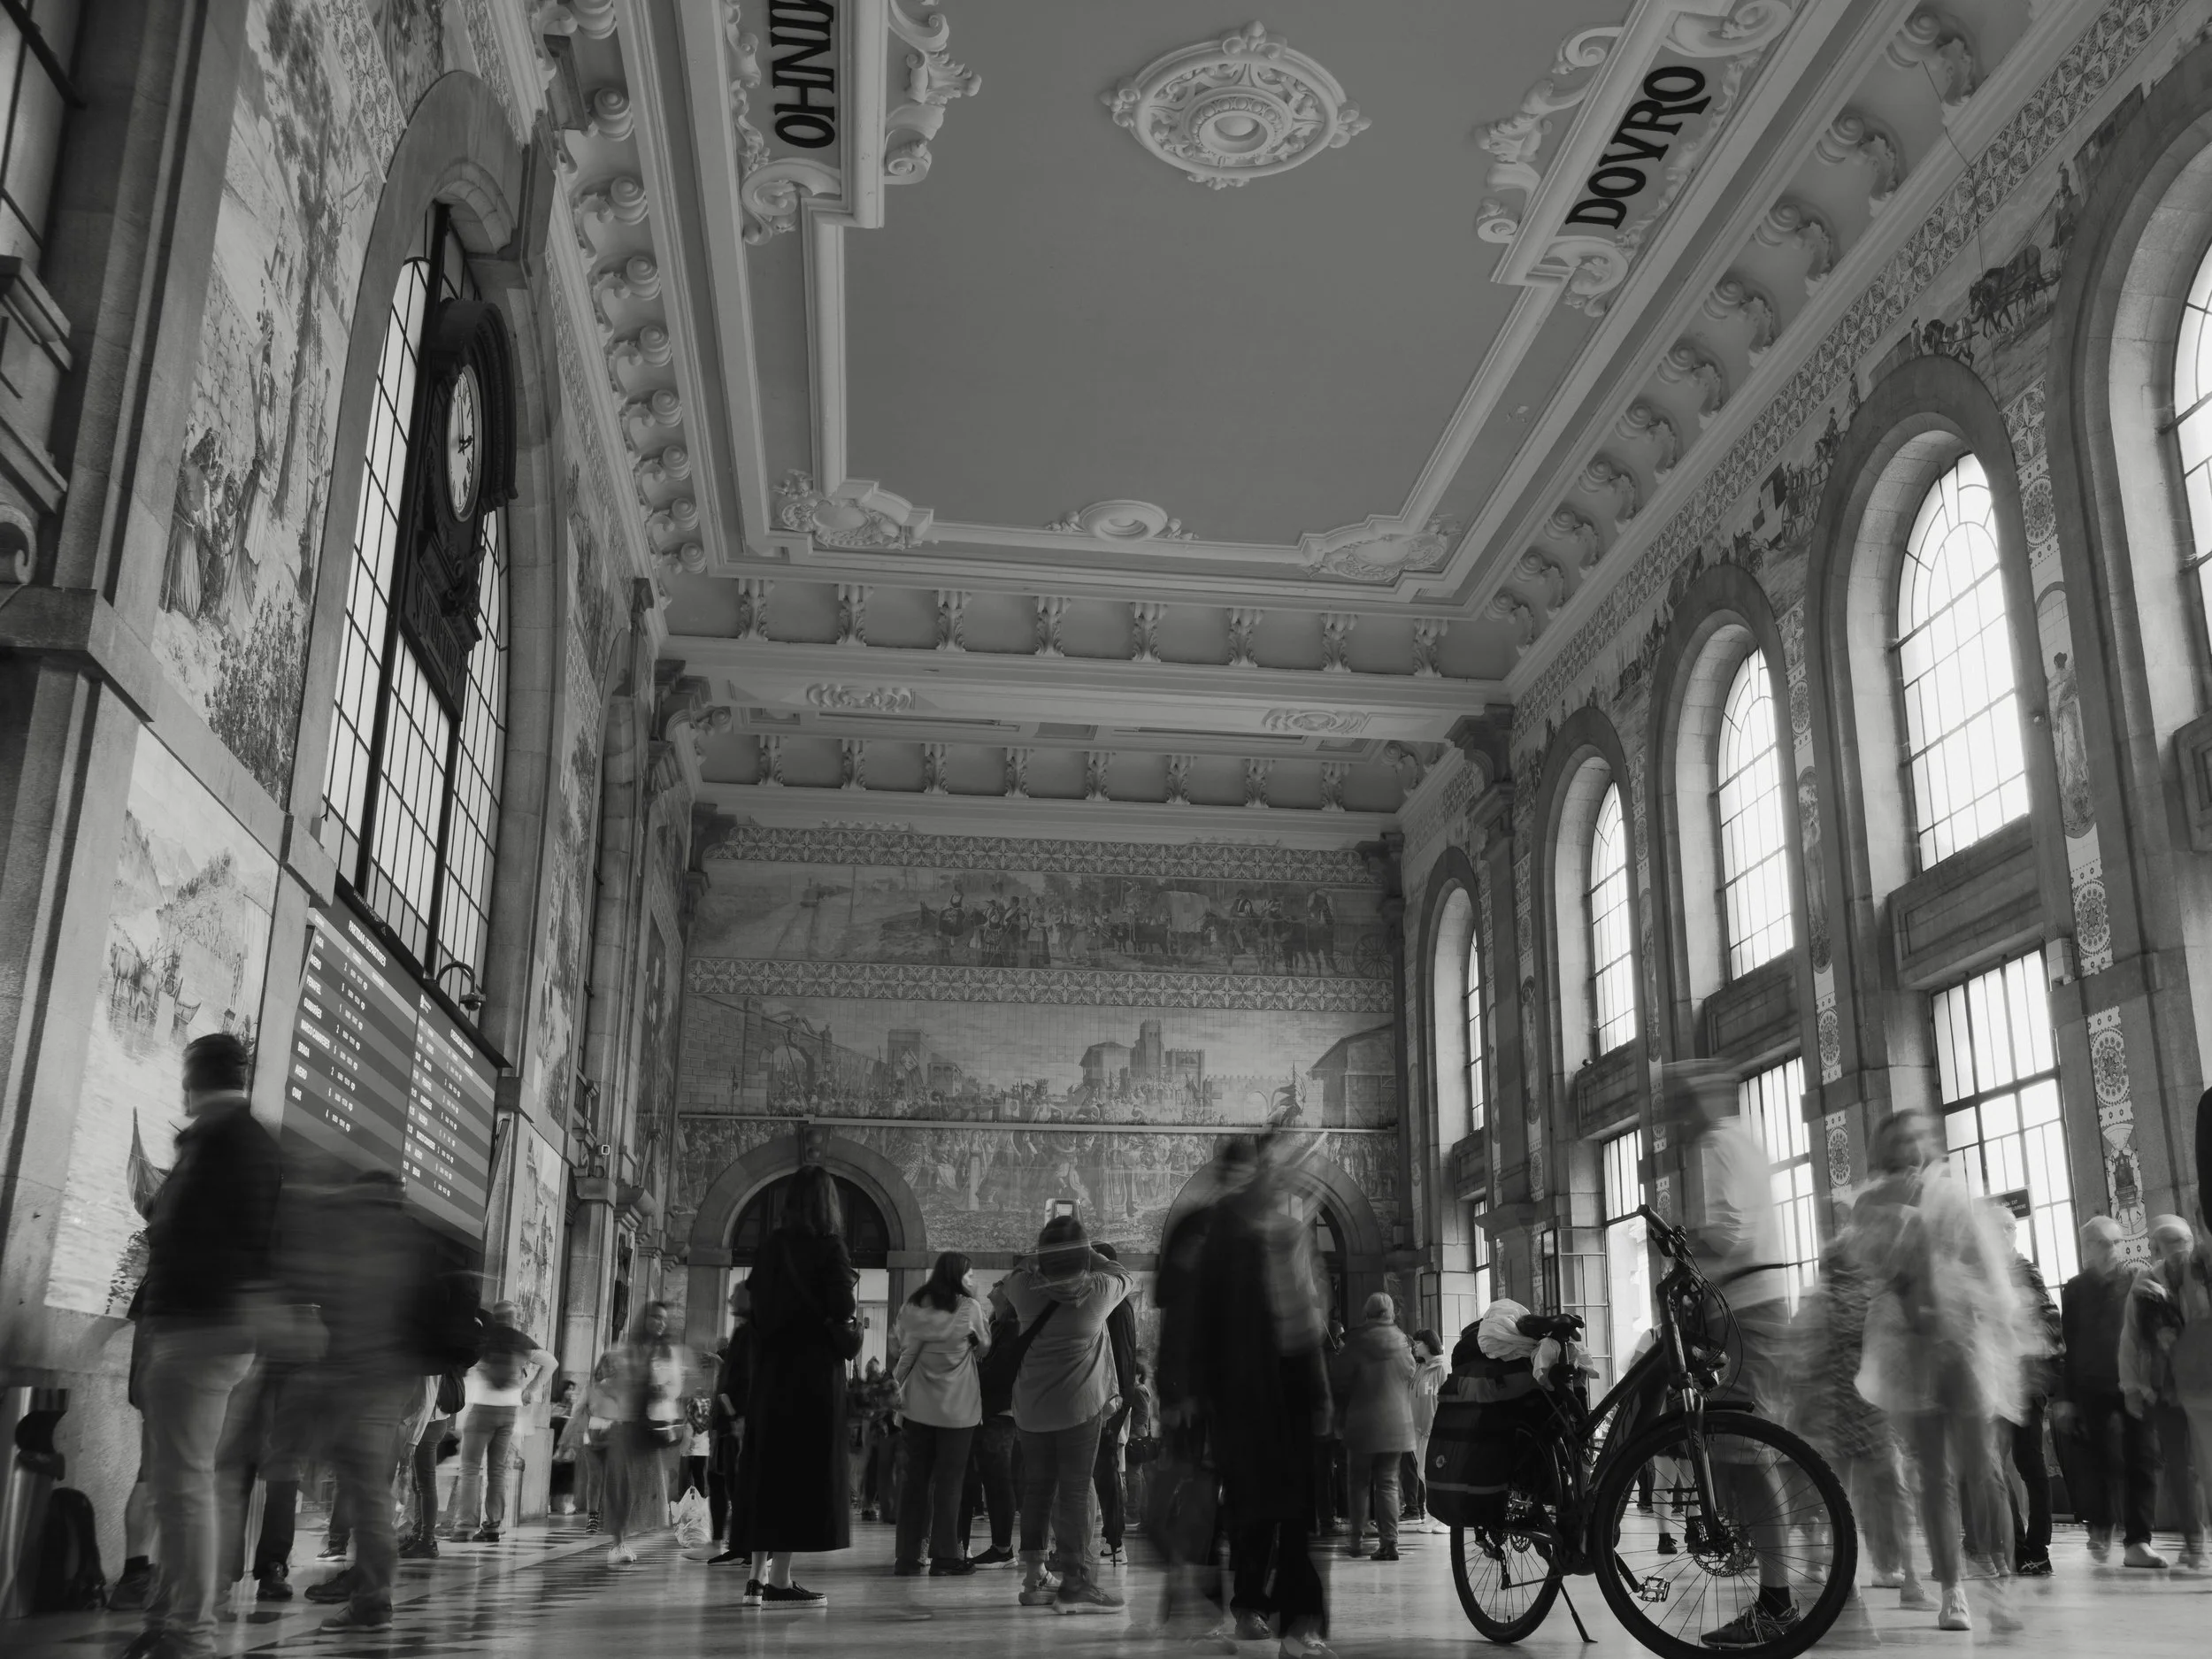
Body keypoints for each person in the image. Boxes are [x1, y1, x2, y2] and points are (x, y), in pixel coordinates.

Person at [129, 1031, 280, 1659]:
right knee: (184, 1485)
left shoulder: (223, 1141)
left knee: (185, 1486)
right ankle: (169, 1617)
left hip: (200, 1328)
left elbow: (201, 1238)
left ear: (194, 1077)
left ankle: (188, 1631)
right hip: (211, 1328)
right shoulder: (239, 1140)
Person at [1855, 1110, 2032, 1634]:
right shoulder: (1871, 1203)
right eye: (1899, 1140)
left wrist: (2001, 1324)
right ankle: (1953, 1591)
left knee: (1983, 1468)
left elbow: (1987, 1267)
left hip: (1962, 1342)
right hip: (1909, 1348)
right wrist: (1905, 1222)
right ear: (1884, 1149)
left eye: (1917, 1138)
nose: (1910, 1148)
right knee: (1934, 1475)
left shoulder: (1952, 1195)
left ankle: (2000, 1581)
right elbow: (1876, 1265)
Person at [1670, 1060, 1805, 1650]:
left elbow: (1726, 1234)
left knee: (1746, 1454)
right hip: (1754, 1306)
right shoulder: (1742, 1142)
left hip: (1743, 1310)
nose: (1675, 1116)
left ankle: (1777, 1599)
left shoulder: (1716, 1144)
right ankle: (1774, 1582)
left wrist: (1681, 1245)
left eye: (1681, 1102)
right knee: (1739, 1451)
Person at [1191, 1133, 1335, 1659]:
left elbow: (1304, 1316)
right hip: (1251, 1388)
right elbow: (1202, 1321)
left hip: (1276, 1384)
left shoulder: (1277, 1232)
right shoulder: (1230, 1237)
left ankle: (1289, 1621)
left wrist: (1317, 1389)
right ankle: (1268, 1614)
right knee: (1263, 1507)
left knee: (1286, 1511)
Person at [295, 1170, 444, 1633]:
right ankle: (373, 1594)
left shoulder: (357, 1239)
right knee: (371, 1491)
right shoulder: (415, 1242)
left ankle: (370, 1595)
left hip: (355, 1377)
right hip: (393, 1379)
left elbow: (336, 1307)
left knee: (359, 1487)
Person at [729, 1164, 859, 1607]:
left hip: (770, 1376)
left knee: (767, 1472)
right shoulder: (830, 1246)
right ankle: (780, 1579)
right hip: (813, 1381)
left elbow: (754, 1306)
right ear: (829, 1202)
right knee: (799, 1477)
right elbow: (842, 1306)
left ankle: (755, 1578)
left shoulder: (771, 1246)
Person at [1003, 1211, 1134, 1614]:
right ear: (1083, 1254)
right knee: (1076, 1489)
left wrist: (1043, 1256)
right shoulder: (1097, 1291)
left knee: (1037, 1489)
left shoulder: (1024, 1290)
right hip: (1079, 1408)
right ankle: (1075, 1583)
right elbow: (1125, 1275)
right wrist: (1089, 1252)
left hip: (1031, 1408)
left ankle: (1034, 1580)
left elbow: (1017, 1270)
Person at [1791, 1210, 1919, 1604]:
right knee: (1879, 1490)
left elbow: (1805, 1356)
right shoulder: (1869, 1296)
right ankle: (1880, 1566)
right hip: (1856, 1409)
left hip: (1843, 1409)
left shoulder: (1828, 1300)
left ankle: (1838, 1563)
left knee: (1837, 1492)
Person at [2054, 1215, 2162, 1566]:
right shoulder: (2074, 1290)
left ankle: (2138, 1542)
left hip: (2133, 1383)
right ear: (2087, 1247)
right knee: (2099, 1460)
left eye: (2117, 1242)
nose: (2112, 1249)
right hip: (2091, 1386)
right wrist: (2065, 1397)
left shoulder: (2137, 1281)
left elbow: (2152, 1333)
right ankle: (2101, 1523)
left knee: (2142, 1458)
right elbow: (2066, 1344)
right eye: (2103, 1243)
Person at [891, 1249, 993, 1577]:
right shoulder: (969, 1308)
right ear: (958, 1277)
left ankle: (907, 1557)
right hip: (957, 1411)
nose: (972, 1280)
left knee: (914, 1482)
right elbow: (985, 1347)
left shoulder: (916, 1306)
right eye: (969, 1275)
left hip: (918, 1408)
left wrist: (894, 1385)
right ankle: (945, 1557)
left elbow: (905, 1350)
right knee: (950, 1483)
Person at [2121, 1212, 2212, 1570]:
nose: (2178, 1248)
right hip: (2166, 1389)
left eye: (2183, 1241)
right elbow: (2130, 1337)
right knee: (2179, 1467)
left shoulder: (2203, 1273)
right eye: (2169, 1242)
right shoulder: (2145, 1283)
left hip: (2204, 1385)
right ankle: (2194, 1541)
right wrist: (2131, 1386)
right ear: (2155, 1247)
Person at [593, 1300, 695, 1564]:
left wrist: (662, 1389)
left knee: (645, 1488)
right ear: (644, 1319)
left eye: (663, 1319)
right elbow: (604, 1382)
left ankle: (625, 1539)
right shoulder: (625, 1350)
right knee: (621, 1487)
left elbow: (675, 1387)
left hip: (651, 1427)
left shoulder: (667, 1353)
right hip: (625, 1426)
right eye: (655, 1317)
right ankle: (618, 1543)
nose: (660, 1323)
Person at [448, 1301, 556, 1543]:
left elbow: (462, 1364)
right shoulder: (521, 1340)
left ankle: (464, 1527)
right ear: (514, 1318)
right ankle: (493, 1526)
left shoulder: (483, 1337)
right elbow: (551, 1362)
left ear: (495, 1317)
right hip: (509, 1411)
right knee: (497, 1471)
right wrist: (531, 1389)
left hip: (482, 1408)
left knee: (470, 1468)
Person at [1996, 1209, 2061, 1576]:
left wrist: (2053, 1379)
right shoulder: (1986, 1271)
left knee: (2029, 1463)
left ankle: (2037, 1548)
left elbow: (2050, 1320)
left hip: (2026, 1379)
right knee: (1993, 1463)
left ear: (2012, 1232)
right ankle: (2017, 1545)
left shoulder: (2025, 1270)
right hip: (1998, 1380)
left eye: (2004, 1228)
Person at [1333, 1292, 1414, 1562]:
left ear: (1366, 1313)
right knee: (1388, 1483)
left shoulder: (1357, 1341)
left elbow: (1339, 1378)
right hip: (1396, 1425)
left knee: (1358, 1483)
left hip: (1363, 1424)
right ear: (1390, 1313)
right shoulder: (1401, 1341)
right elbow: (1410, 1371)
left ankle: (1357, 1540)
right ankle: (1389, 1543)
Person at [958, 1281, 1020, 1566]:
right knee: (991, 1480)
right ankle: (998, 1547)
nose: (994, 1285)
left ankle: (1003, 1548)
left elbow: (1000, 1370)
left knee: (998, 1481)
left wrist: (971, 1376)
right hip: (990, 1410)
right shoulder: (997, 1325)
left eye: (1001, 1283)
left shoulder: (1010, 1327)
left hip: (1000, 1411)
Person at [1090, 1240, 1140, 1569]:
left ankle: (1114, 1540)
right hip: (1109, 1397)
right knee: (1102, 1469)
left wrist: (1115, 1402)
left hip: (1112, 1399)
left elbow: (1121, 1357)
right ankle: (1111, 1539)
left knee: (1105, 1469)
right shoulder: (1111, 1303)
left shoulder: (1117, 1306)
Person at [708, 1282, 757, 1564]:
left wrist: (738, 1418)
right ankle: (739, 1544)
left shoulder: (750, 1334)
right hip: (729, 1420)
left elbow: (745, 1379)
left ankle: (748, 1547)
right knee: (730, 1483)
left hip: (737, 1421)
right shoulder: (743, 1332)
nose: (730, 1299)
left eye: (736, 1294)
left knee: (739, 1486)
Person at [1403, 1329, 1448, 1533]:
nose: (1415, 1347)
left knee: (1432, 1474)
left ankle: (1443, 1519)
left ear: (1429, 1344)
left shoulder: (1442, 1367)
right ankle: (1432, 1518)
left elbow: (1446, 1398)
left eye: (1418, 1343)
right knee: (1423, 1473)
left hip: (1434, 1429)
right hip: (1418, 1428)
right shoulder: (1420, 1367)